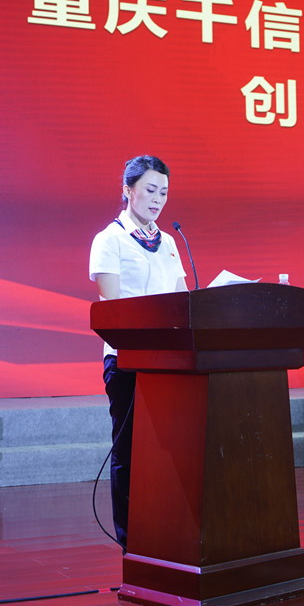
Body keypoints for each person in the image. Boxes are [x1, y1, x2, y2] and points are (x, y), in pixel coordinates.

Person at [89, 155, 187, 551]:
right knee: (130, 451)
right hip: (127, 360)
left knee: (167, 451)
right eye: (150, 190)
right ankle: (132, 541)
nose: (158, 199)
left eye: (163, 192)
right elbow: (113, 308)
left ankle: (166, 530)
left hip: (168, 362)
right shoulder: (109, 239)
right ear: (128, 190)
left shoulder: (169, 242)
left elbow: (182, 302)